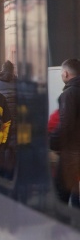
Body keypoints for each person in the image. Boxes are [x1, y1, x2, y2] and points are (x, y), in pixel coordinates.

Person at [50, 58, 80, 206]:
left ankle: (62, 227)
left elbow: (65, 126)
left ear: (66, 73)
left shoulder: (68, 94)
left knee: (61, 194)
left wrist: (52, 141)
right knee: (76, 193)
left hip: (71, 154)